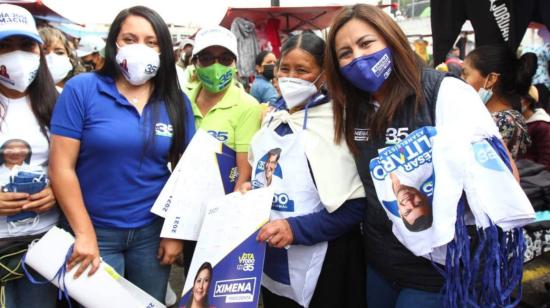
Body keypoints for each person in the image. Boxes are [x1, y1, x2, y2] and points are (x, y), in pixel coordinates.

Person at [325, 4, 519, 307]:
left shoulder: (446, 93)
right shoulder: (354, 110)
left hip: (439, 272)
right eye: (345, 53)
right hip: (380, 265)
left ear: (391, 40)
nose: (359, 58)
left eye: (366, 44)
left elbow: (503, 178)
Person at [49, 6, 195, 302]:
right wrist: (84, 233)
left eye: (151, 41)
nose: (140, 48)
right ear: (113, 42)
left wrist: (175, 231)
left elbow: (187, 171)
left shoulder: (175, 101)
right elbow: (61, 167)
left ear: (163, 49)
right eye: (130, 39)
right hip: (94, 232)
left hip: (151, 234)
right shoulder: (82, 90)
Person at [247, 31, 366, 308]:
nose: (290, 77)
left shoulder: (338, 122)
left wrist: (295, 229)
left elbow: (354, 206)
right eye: (284, 68)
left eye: (302, 70)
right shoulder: (271, 119)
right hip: (272, 255)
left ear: (324, 74)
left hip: (326, 264)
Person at [182, 24, 261, 276]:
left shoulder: (247, 105)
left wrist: (226, 220)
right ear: (194, 63)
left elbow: (243, 172)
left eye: (224, 58)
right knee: (191, 286)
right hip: (183, 212)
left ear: (234, 63)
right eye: (206, 58)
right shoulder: (181, 99)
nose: (216, 66)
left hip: (220, 215)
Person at [0, 4, 59, 307]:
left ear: (39, 50)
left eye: (25, 45)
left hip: (43, 242)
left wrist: (56, 192)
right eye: (4, 46)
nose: (17, 55)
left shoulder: (60, 102)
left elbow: (78, 165)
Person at [462, 45, 532, 159]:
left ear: (490, 79)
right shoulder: (494, 116)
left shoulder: (505, 121)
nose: (461, 80)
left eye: (465, 74)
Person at [520, 88, 550, 170]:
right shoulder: (518, 120)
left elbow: (546, 160)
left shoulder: (542, 126)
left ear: (527, 102)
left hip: (532, 177)